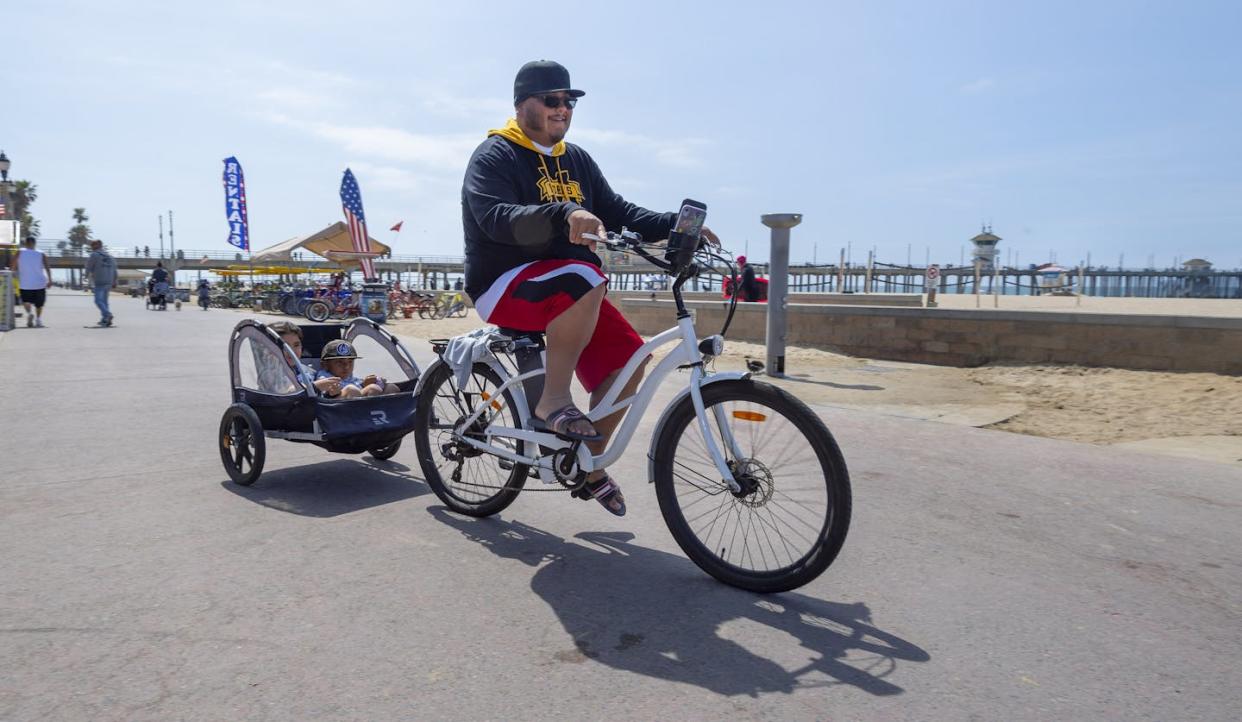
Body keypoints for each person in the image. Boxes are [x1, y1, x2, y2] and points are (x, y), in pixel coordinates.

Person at [461, 60, 718, 516]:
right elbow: (495, 218)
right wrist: (564, 214)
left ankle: (585, 463)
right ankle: (553, 402)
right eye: (552, 100)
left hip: (568, 286)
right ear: (522, 105)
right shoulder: (494, 155)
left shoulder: (576, 159)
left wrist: (676, 226)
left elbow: (620, 212)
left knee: (630, 359)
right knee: (585, 271)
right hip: (502, 283)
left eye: (570, 101)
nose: (564, 109)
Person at [268, 321, 339, 395]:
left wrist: (331, 392)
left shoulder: (309, 371)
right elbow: (285, 395)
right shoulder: (270, 372)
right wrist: (315, 386)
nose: (292, 351)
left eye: (296, 345)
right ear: (271, 348)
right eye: (286, 347)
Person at [316, 340, 399, 398]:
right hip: (337, 410)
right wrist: (332, 391)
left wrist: (364, 384)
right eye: (340, 362)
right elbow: (326, 390)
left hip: (358, 403)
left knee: (391, 388)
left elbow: (360, 386)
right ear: (325, 365)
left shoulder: (351, 378)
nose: (346, 366)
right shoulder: (325, 376)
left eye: (350, 362)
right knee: (357, 389)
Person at [10, 236, 52, 328]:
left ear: (26, 243)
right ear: (34, 243)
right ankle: (38, 320)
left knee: (26, 301)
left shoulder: (20, 252)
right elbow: (47, 267)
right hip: (40, 283)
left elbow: (13, 264)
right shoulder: (41, 253)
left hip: (25, 283)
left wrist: (12, 273)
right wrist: (50, 280)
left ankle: (29, 313)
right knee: (39, 304)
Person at [84, 239, 118, 326]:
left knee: (98, 300)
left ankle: (107, 314)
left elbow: (89, 267)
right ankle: (105, 320)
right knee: (105, 301)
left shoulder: (94, 255)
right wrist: (114, 281)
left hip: (100, 281)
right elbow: (115, 270)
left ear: (97, 246)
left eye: (93, 245)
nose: (91, 247)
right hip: (109, 281)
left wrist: (85, 276)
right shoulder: (110, 257)